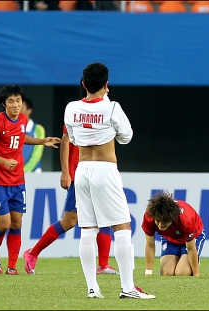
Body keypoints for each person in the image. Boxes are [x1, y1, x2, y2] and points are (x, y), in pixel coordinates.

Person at [64, 62, 155, 299]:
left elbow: (72, 137)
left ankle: (93, 288)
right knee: (122, 228)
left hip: (81, 170)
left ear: (83, 84)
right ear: (106, 85)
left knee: (88, 229)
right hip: (105, 169)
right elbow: (126, 137)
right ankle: (127, 288)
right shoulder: (112, 108)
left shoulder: (71, 108)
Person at [23, 82, 117, 275]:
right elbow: (65, 143)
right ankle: (32, 253)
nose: (107, 90)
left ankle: (104, 265)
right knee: (69, 221)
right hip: (79, 174)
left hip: (99, 173)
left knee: (104, 217)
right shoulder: (76, 110)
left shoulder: (106, 110)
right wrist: (65, 171)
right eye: (104, 87)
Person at [0, 84, 60, 275]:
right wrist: (3, 161)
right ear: (3, 104)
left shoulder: (22, 120)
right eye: (11, 101)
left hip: (18, 181)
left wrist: (42, 141)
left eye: (18, 101)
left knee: (17, 223)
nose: (15, 105)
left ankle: (12, 266)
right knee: (4, 224)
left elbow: (20, 138)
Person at [142, 191, 205, 277]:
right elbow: (150, 244)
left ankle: (189, 261)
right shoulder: (149, 216)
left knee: (182, 273)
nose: (160, 225)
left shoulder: (186, 220)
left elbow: (190, 248)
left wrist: (196, 274)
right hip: (170, 238)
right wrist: (148, 272)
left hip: (193, 237)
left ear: (172, 218)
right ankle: (180, 259)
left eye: (165, 222)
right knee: (167, 273)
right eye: (158, 221)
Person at [21, 96, 45, 173]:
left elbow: (37, 154)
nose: (18, 111)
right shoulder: (11, 129)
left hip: (34, 172)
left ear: (29, 111)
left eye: (21, 108)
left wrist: (25, 171)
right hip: (14, 175)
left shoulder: (38, 129)